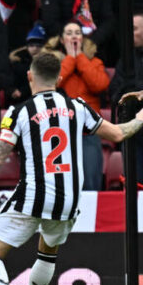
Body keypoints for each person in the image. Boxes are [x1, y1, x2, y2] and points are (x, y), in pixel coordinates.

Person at [0, 53, 143, 285]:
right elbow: (118, 135)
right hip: (68, 199)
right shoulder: (77, 107)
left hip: (34, 195)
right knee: (47, 252)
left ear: (29, 76)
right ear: (60, 79)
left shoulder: (19, 112)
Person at [43, 20, 109, 190]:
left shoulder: (95, 62)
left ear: (83, 38)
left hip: (89, 131)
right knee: (62, 185)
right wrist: (71, 59)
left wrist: (79, 57)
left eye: (78, 33)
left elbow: (99, 85)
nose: (74, 36)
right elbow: (51, 83)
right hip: (60, 133)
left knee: (90, 182)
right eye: (69, 33)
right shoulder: (52, 63)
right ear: (62, 39)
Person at [110, 12, 143, 190]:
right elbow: (115, 91)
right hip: (131, 131)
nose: (129, 33)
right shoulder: (126, 59)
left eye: (134, 29)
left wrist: (136, 88)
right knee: (132, 187)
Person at [7, 23, 46, 106]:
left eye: (38, 45)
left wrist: (22, 92)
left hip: (38, 105)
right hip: (17, 102)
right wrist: (12, 90)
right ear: (27, 47)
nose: (35, 48)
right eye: (31, 45)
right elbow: (9, 79)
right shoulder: (17, 61)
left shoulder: (47, 63)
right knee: (7, 119)